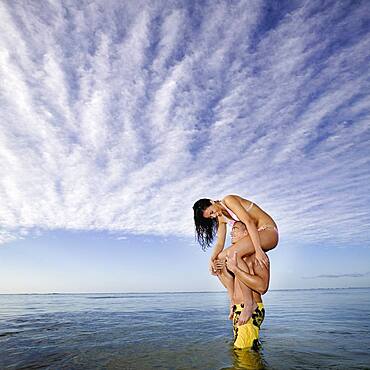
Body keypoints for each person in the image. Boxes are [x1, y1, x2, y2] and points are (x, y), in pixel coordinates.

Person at [193, 195, 278, 334]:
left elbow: (249, 222)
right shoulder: (221, 218)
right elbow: (220, 243)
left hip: (267, 231)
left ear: (211, 202)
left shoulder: (229, 200)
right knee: (219, 261)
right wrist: (211, 259)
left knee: (231, 254)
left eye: (212, 212)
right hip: (254, 236)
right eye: (211, 217)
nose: (215, 216)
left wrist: (258, 250)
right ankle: (233, 300)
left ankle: (249, 304)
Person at [213, 220, 270, 349]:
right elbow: (233, 286)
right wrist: (220, 272)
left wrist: (236, 270)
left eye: (236, 228)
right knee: (244, 352)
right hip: (239, 309)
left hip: (250, 310)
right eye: (232, 229)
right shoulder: (236, 259)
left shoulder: (257, 256)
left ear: (247, 233)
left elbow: (263, 287)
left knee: (244, 354)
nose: (231, 232)